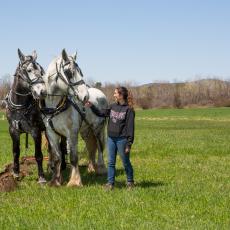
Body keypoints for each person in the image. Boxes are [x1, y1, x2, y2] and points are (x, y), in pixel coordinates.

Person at [85, 86, 135, 190]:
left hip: (122, 140)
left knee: (125, 162)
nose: (114, 95)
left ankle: (130, 182)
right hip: (111, 139)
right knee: (111, 163)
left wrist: (129, 143)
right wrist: (92, 106)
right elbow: (101, 113)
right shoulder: (112, 106)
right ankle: (110, 183)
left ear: (121, 96)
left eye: (116, 93)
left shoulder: (129, 110)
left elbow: (130, 128)